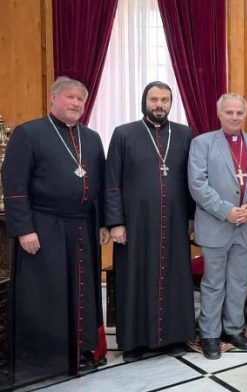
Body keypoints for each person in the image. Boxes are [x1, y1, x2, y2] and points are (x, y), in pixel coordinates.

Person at [2, 76, 109, 383]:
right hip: (44, 227)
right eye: (70, 98)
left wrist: (101, 222)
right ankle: (47, 359)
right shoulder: (29, 133)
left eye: (81, 100)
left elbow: (99, 186)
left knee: (84, 292)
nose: (76, 103)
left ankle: (82, 351)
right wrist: (24, 229)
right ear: (53, 99)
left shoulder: (91, 137)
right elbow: (14, 185)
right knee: (47, 294)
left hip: (82, 228)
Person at [105, 81, 195, 362]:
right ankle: (134, 342)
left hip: (175, 222)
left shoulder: (184, 134)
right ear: (144, 101)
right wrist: (116, 222)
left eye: (165, 100)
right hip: (135, 224)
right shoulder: (124, 134)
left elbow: (192, 180)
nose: (159, 104)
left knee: (176, 277)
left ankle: (174, 337)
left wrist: (192, 217)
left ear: (171, 103)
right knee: (134, 279)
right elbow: (111, 182)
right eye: (154, 99)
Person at [188, 93, 247, 360]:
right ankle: (209, 333)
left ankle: (232, 329)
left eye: (239, 113)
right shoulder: (202, 143)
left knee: (240, 282)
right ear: (219, 114)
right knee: (213, 282)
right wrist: (226, 211)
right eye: (229, 112)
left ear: (245, 115)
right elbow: (197, 184)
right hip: (216, 224)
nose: (234, 117)